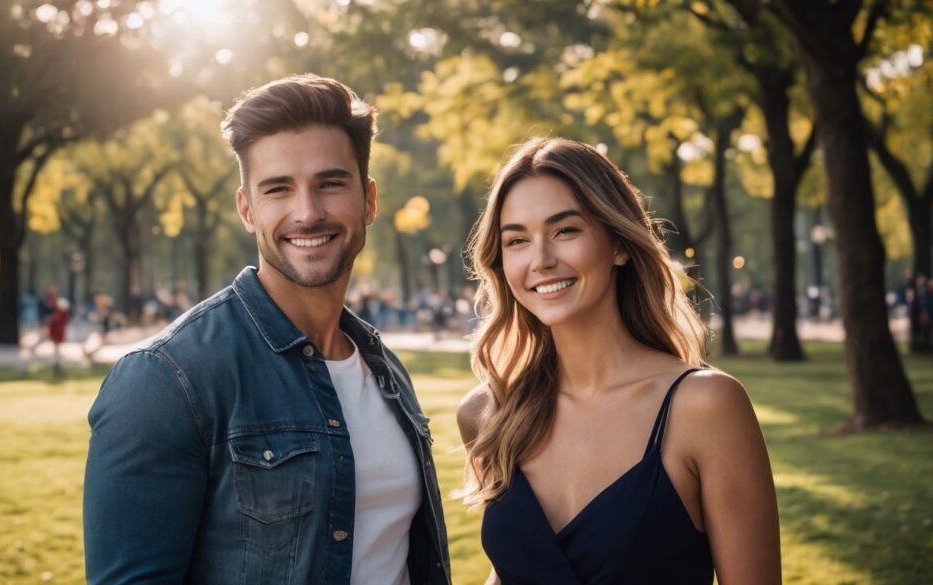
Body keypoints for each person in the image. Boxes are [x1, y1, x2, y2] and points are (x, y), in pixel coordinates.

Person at [83, 75, 451, 585]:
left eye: (330, 183)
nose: (307, 212)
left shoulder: (383, 368)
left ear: (368, 200)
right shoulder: (166, 380)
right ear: (247, 209)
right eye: (279, 188)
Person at [456, 138, 780, 585]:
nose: (541, 260)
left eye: (565, 230)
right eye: (517, 240)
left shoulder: (705, 407)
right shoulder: (487, 415)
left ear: (620, 245)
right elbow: (514, 570)